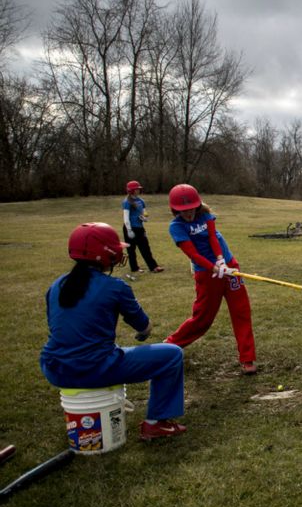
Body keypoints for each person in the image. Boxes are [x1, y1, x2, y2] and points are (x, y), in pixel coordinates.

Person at [40, 222, 186, 441]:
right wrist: (143, 333)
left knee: (108, 352)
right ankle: (156, 423)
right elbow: (143, 326)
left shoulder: (56, 285)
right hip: (95, 367)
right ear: (106, 254)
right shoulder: (115, 287)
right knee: (172, 354)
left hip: (55, 367)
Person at [164, 184, 257, 375]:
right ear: (175, 210)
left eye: (191, 208)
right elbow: (193, 254)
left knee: (241, 311)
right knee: (202, 319)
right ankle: (169, 345)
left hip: (229, 267)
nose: (188, 213)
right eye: (183, 211)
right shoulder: (177, 227)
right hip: (207, 274)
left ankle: (247, 358)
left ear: (197, 205)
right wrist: (214, 267)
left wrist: (223, 262)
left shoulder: (206, 216)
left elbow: (214, 239)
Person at [122, 180, 164, 274]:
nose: (138, 190)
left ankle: (153, 267)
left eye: (139, 189)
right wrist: (129, 230)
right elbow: (126, 217)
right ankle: (134, 268)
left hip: (140, 228)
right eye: (136, 189)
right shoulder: (126, 202)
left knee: (145, 248)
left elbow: (143, 213)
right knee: (131, 249)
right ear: (131, 190)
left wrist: (144, 218)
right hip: (130, 228)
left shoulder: (141, 201)